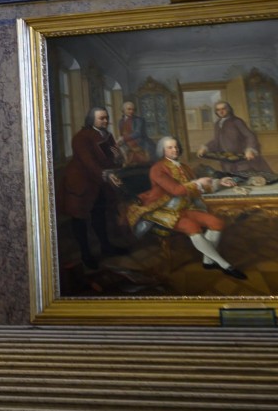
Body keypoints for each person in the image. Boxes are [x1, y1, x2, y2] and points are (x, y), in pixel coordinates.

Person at [131, 136, 248, 279]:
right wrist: (198, 182)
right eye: (170, 147)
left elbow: (198, 186)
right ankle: (225, 265)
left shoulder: (184, 167)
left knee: (217, 223)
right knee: (192, 227)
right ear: (162, 150)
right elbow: (176, 190)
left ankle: (207, 261)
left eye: (176, 147)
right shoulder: (157, 169)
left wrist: (219, 182)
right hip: (165, 210)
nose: (175, 150)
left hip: (187, 207)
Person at [60, 107, 124, 266]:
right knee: (80, 218)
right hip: (81, 182)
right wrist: (107, 175)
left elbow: (113, 160)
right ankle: (85, 255)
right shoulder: (81, 138)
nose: (105, 121)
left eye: (106, 117)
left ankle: (106, 247)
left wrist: (117, 158)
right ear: (91, 119)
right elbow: (89, 162)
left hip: (99, 181)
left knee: (100, 214)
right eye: (101, 118)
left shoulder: (107, 136)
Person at [196, 99, 272, 177]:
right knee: (231, 177)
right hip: (226, 160)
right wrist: (205, 148)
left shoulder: (237, 121)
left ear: (228, 109)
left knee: (249, 177)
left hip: (242, 158)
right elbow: (216, 140)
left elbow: (250, 136)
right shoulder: (217, 124)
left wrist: (250, 149)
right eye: (218, 110)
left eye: (223, 109)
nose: (221, 111)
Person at [115, 99, 155, 167]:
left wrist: (123, 138)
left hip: (140, 144)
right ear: (123, 110)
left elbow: (138, 133)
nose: (131, 111)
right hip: (127, 144)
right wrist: (120, 141)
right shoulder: (120, 122)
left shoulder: (139, 120)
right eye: (129, 109)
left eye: (133, 109)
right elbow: (122, 134)